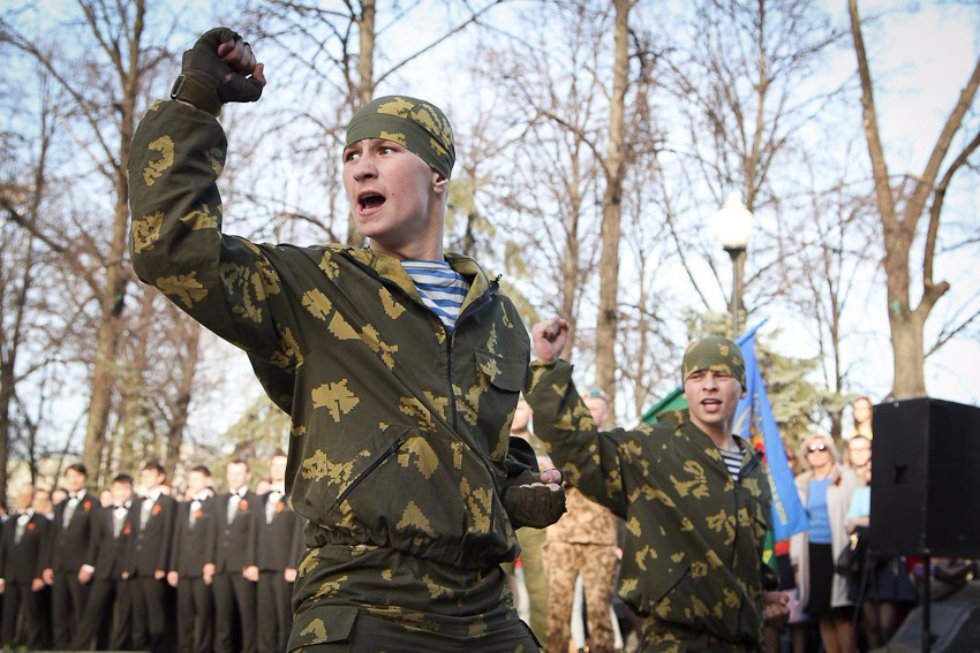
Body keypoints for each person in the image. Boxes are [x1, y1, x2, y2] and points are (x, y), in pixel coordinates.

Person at [128, 27, 565, 650]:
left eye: (386, 149)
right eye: (351, 153)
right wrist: (198, 99)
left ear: (437, 174)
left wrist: (522, 490)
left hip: (484, 611)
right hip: (361, 605)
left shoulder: (499, 321)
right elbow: (169, 250)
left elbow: (480, 456)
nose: (361, 164)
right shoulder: (313, 287)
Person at [527, 320, 790, 651]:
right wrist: (549, 366)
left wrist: (761, 597)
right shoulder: (652, 448)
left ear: (741, 385)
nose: (709, 385)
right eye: (697, 376)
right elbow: (577, 449)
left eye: (721, 375)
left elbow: (742, 546)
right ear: (685, 389)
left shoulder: (752, 465)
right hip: (676, 640)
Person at [543, 389, 621, 653]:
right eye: (585, 407)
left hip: (601, 542)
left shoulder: (614, 446)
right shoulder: (562, 444)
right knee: (556, 616)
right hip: (562, 538)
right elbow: (550, 477)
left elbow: (621, 491)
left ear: (605, 413)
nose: (590, 413)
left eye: (596, 408)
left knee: (601, 616)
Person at [843, 436, 916, 649]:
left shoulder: (895, 494)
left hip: (888, 561)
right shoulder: (861, 493)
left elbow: (894, 520)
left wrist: (863, 520)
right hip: (866, 561)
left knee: (887, 623)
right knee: (872, 624)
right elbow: (848, 524)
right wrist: (868, 521)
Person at [791, 434, 860, 653]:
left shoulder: (847, 477)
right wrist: (796, 562)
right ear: (805, 455)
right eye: (811, 449)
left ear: (831, 450)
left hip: (839, 550)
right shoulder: (801, 484)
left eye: (822, 448)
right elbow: (796, 523)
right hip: (811, 551)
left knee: (842, 612)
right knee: (822, 612)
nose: (817, 453)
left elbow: (857, 510)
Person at [72, 473, 137, 651]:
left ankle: (117, 647)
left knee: (123, 612)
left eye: (126, 488)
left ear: (131, 490)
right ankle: (81, 645)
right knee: (94, 608)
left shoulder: (136, 513)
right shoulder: (101, 512)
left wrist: (130, 567)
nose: (122, 492)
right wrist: (89, 565)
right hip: (103, 568)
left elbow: (136, 543)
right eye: (119, 488)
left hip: (125, 570)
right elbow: (95, 541)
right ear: (113, 490)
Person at [42, 462, 101, 648]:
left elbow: (95, 536)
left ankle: (81, 645)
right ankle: (61, 645)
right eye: (70, 476)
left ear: (84, 478)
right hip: (59, 566)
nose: (74, 480)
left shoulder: (92, 503)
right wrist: (48, 565)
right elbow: (53, 537)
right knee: (59, 609)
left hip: (80, 566)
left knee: (80, 608)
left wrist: (89, 564)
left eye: (77, 476)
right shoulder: (60, 505)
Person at [125, 460, 178, 652]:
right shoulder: (137, 502)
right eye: (144, 475)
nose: (146, 479)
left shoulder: (168, 502)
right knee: (138, 609)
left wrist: (162, 564)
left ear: (160, 477)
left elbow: (168, 536)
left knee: (156, 610)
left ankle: (158, 647)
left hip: (155, 565)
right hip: (136, 566)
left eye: (150, 475)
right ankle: (139, 645)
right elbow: (132, 535)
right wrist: (128, 564)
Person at [256, 451, 306, 653]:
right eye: (273, 466)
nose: (276, 469)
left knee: (284, 618)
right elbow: (255, 532)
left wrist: (293, 564)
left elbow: (299, 533)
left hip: (284, 568)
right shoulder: (260, 499)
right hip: (263, 566)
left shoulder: (294, 495)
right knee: (265, 619)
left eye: (281, 465)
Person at [208, 459, 260, 653]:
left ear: (247, 475)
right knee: (222, 617)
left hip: (243, 567)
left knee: (247, 616)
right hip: (221, 566)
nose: (235, 477)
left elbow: (255, 534)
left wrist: (252, 562)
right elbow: (213, 533)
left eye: (239, 473)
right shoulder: (219, 500)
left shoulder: (255, 501)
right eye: (231, 473)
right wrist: (209, 561)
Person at [169, 464, 217, 653]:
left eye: (197, 479)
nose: (193, 483)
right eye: (191, 479)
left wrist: (209, 562)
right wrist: (173, 567)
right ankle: (184, 647)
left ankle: (203, 648)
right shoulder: (184, 506)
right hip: (183, 568)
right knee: (184, 614)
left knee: (203, 613)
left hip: (202, 568)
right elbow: (177, 538)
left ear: (207, 481)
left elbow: (214, 536)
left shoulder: (214, 505)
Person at [0, 484, 49, 649]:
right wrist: (1, 576)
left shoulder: (42, 522)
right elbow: (3, 550)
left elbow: (44, 550)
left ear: (33, 499)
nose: (23, 498)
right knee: (9, 611)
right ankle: (7, 642)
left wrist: (39, 575)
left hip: (31, 575)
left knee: (31, 612)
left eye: (28, 495)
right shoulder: (10, 521)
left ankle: (30, 643)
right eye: (21, 495)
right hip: (10, 575)